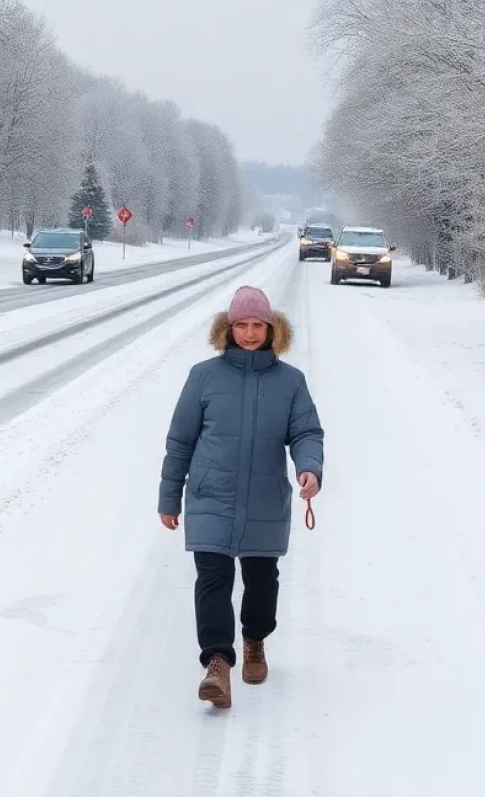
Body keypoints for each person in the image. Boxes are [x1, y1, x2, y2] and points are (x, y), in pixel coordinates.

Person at [157, 285, 324, 708]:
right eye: (241, 326)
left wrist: (309, 467)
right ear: (227, 330)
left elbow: (306, 432)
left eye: (257, 326)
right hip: (211, 494)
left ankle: (254, 640)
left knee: (261, 581)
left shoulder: (291, 382)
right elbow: (180, 441)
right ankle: (216, 662)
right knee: (212, 578)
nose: (250, 333)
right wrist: (169, 496)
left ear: (272, 330)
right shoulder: (203, 377)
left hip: (265, 498)